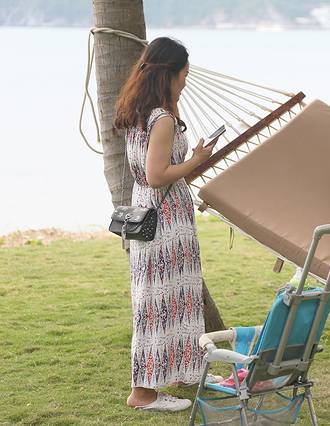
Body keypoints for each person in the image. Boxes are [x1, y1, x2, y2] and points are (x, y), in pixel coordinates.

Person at [114, 37, 220, 412]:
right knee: (160, 302)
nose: (187, 81)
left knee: (172, 299)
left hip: (152, 214)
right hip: (164, 221)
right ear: (170, 74)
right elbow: (157, 175)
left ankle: (181, 372)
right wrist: (197, 159)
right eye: (185, 74)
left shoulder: (140, 113)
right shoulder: (161, 119)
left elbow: (149, 173)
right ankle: (143, 393)